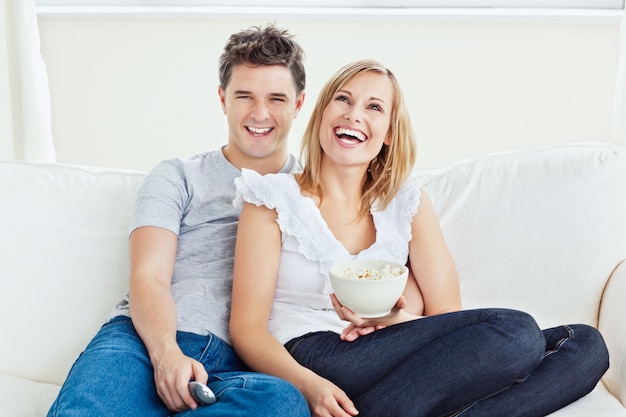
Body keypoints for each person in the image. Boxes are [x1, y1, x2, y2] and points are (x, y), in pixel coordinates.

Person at [229, 59, 609, 417]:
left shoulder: (406, 202)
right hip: (317, 354)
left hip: (396, 351)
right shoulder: (272, 198)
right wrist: (309, 386)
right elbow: (246, 329)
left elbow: (447, 318)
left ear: (390, 132)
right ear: (323, 113)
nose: (354, 113)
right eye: (343, 99)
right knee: (517, 333)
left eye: (374, 107)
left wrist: (392, 318)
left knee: (585, 345)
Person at [47, 25, 310, 417]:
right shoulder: (178, 175)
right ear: (222, 99)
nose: (260, 114)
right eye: (244, 96)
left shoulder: (314, 193)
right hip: (144, 342)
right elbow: (148, 276)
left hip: (245, 365)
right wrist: (166, 352)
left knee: (285, 404)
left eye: (276, 98)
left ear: (299, 103)